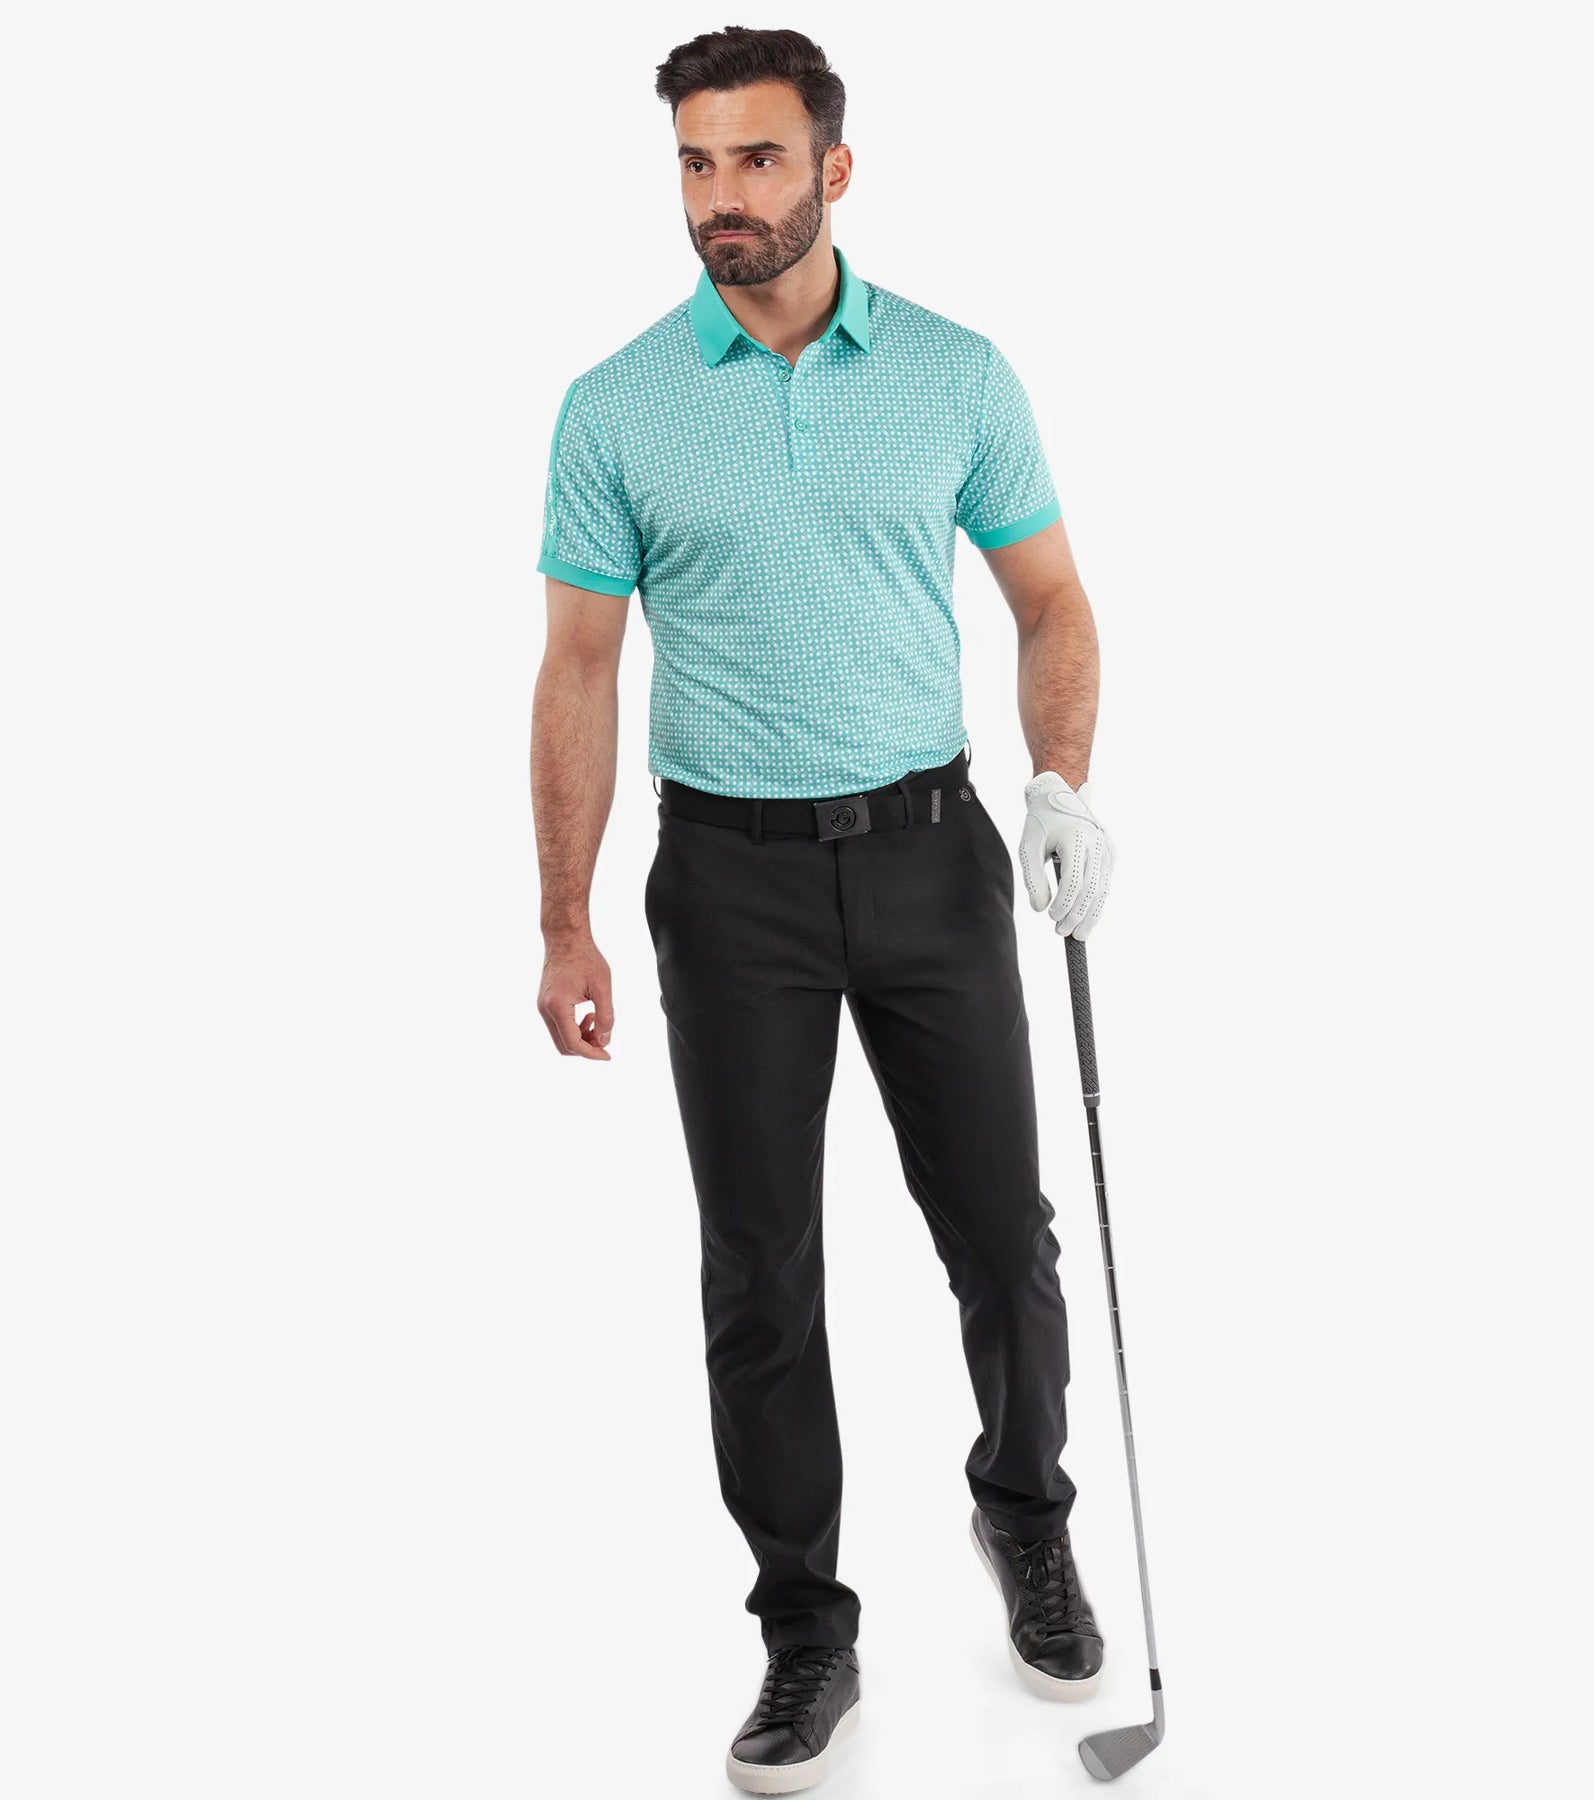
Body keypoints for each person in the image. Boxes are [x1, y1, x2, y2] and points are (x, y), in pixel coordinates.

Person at [528, 25, 1116, 1794]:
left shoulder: (954, 373)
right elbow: (577, 670)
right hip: (730, 884)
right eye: (697, 164)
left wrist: (1061, 782)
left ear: (834, 170)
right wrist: (565, 918)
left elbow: (1053, 600)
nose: (723, 197)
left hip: (932, 855)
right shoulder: (616, 406)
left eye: (759, 159)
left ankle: (1024, 1513)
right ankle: (805, 1628)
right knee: (761, 1270)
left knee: (1001, 1236)